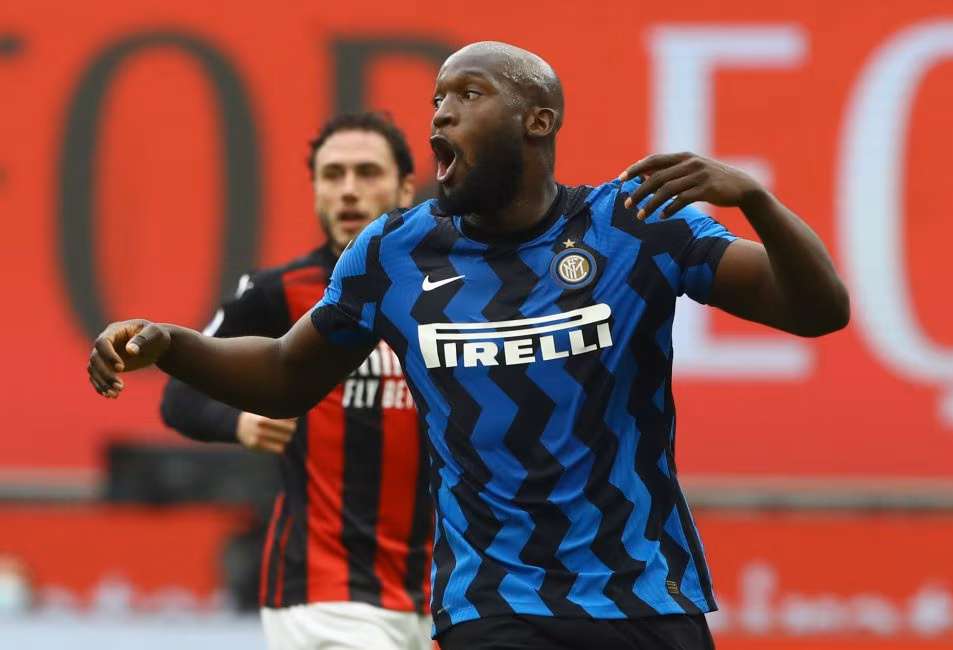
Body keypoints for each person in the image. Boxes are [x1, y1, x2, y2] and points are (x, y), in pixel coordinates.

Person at [87, 42, 850, 650]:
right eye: (436, 101)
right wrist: (172, 344)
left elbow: (820, 311)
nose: (441, 116)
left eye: (468, 95)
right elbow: (287, 372)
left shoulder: (634, 224)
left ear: (537, 121)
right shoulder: (394, 252)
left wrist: (756, 200)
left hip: (643, 592)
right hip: (492, 600)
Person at [160, 112, 433, 650]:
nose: (349, 190)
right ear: (315, 191)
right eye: (333, 175)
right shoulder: (277, 294)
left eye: (367, 172)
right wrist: (239, 422)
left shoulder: (452, 289)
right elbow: (179, 395)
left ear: (406, 187)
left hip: (444, 589)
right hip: (323, 590)